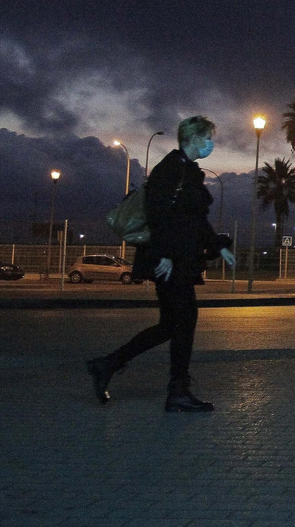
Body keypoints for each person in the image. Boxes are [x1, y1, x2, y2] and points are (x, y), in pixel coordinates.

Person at [87, 116, 236, 412]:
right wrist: (165, 254)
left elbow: (195, 219)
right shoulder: (170, 168)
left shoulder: (188, 170)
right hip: (169, 261)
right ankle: (177, 391)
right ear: (193, 138)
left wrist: (219, 246)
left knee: (171, 324)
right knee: (184, 321)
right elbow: (158, 215)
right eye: (208, 138)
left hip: (179, 259)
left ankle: (108, 364)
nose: (211, 144)